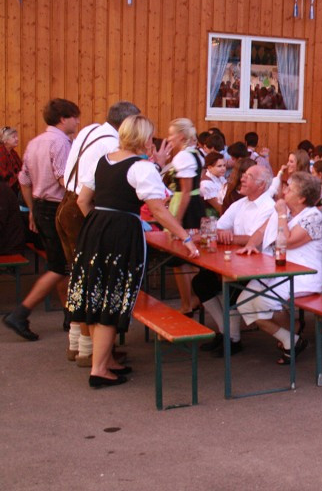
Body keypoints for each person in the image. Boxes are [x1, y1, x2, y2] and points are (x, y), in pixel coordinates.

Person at [66, 114, 200, 387]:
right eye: (151, 137)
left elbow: (82, 200)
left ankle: (104, 361)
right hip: (120, 232)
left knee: (97, 294)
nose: (153, 141)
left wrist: (100, 221)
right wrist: (185, 237)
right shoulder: (141, 167)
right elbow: (159, 210)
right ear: (143, 139)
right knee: (112, 297)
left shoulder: (103, 160)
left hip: (94, 229)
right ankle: (99, 369)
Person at [57, 101, 142, 366]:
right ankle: (90, 351)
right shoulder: (113, 145)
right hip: (89, 208)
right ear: (127, 124)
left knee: (79, 276)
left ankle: (77, 344)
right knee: (94, 280)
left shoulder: (90, 130)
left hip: (67, 203)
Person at [4, 99, 80, 341]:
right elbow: (64, 180)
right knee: (61, 266)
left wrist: (33, 209)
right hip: (59, 208)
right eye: (75, 117)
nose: (78, 121)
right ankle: (21, 313)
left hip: (41, 206)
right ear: (63, 119)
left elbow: (24, 180)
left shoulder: (35, 142)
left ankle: (71, 315)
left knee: (63, 263)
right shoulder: (61, 142)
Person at [236, 172, 322, 364]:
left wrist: (282, 214)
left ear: (302, 198)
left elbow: (287, 243)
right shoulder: (286, 211)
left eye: (289, 189)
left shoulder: (313, 217)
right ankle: (291, 338)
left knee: (262, 302)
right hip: (277, 269)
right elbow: (261, 230)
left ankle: (291, 336)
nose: (283, 191)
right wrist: (251, 244)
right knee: (244, 302)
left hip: (304, 274)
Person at [194, 165, 276, 356]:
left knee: (230, 288)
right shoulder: (240, 203)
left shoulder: (268, 207)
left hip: (259, 265)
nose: (242, 179)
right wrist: (224, 234)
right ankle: (225, 331)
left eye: (248, 177)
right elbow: (218, 228)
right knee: (201, 282)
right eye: (244, 175)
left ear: (261, 185)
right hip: (234, 260)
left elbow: (254, 239)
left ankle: (233, 339)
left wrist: (229, 236)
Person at [166, 118, 206, 315]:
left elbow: (186, 190)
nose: (169, 138)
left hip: (185, 206)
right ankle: (194, 299)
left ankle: (187, 303)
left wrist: (177, 220)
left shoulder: (182, 157)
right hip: (196, 204)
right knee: (191, 256)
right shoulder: (197, 154)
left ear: (181, 136)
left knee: (179, 258)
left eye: (171, 134)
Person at [0, 126, 22, 195]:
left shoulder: (13, 152)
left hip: (15, 187)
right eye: (14, 137)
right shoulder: (1, 152)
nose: (17, 139)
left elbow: (21, 168)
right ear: (5, 140)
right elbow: (3, 175)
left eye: (17, 137)